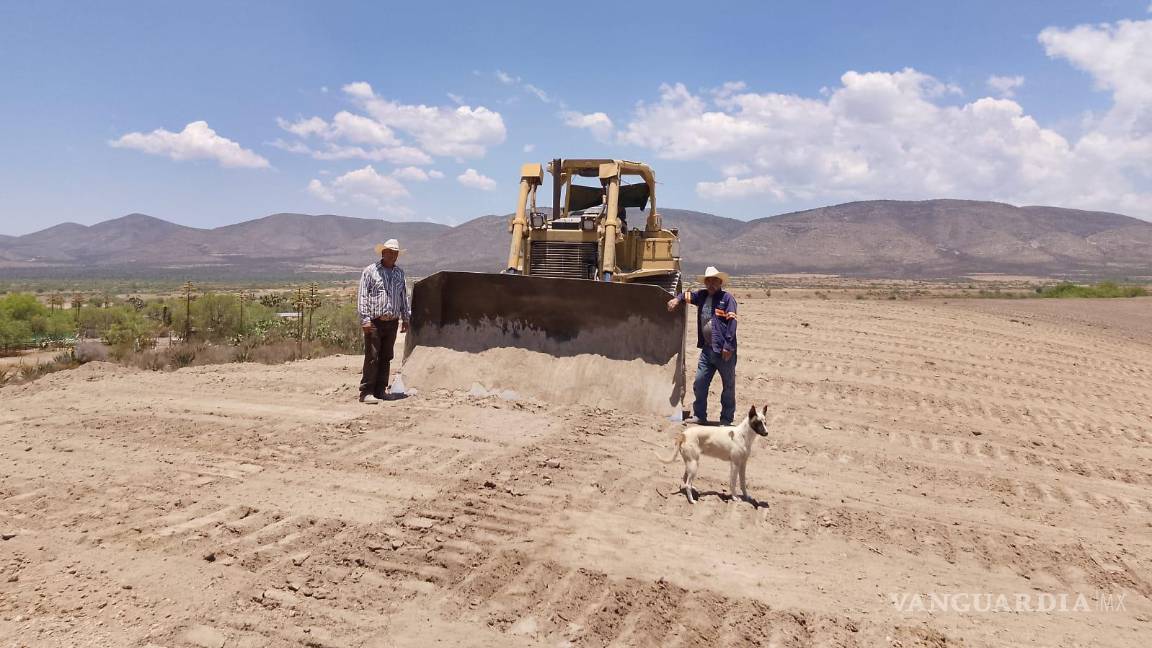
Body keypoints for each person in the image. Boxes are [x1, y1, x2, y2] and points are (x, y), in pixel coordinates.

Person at [667, 266, 738, 424]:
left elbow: (732, 323)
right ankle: (700, 416)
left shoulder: (727, 299)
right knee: (700, 382)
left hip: (724, 352)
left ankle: (726, 419)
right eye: (709, 281)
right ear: (705, 283)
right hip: (707, 350)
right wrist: (676, 299)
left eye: (715, 281)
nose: (711, 284)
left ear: (720, 282)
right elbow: (686, 295)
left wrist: (728, 346)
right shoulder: (701, 295)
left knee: (728, 387)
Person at [357, 239, 410, 404]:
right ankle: (366, 392)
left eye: (395, 253)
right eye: (390, 252)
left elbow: (403, 297)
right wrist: (365, 319)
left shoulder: (399, 274)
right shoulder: (370, 271)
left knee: (386, 356)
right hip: (374, 322)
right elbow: (362, 296)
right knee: (372, 356)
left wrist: (405, 318)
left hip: (392, 321)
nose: (393, 256)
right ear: (383, 253)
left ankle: (381, 391)